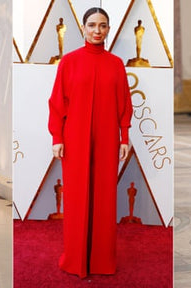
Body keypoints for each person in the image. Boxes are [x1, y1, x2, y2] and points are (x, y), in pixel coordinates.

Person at [48, 7, 132, 278]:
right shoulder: (69, 62)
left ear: (109, 29)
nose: (98, 30)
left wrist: (124, 137)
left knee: (105, 199)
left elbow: (124, 104)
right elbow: (57, 103)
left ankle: (101, 261)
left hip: (108, 139)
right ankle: (75, 259)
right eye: (93, 25)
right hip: (74, 139)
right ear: (83, 28)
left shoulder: (116, 64)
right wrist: (57, 137)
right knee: (76, 199)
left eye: (103, 25)